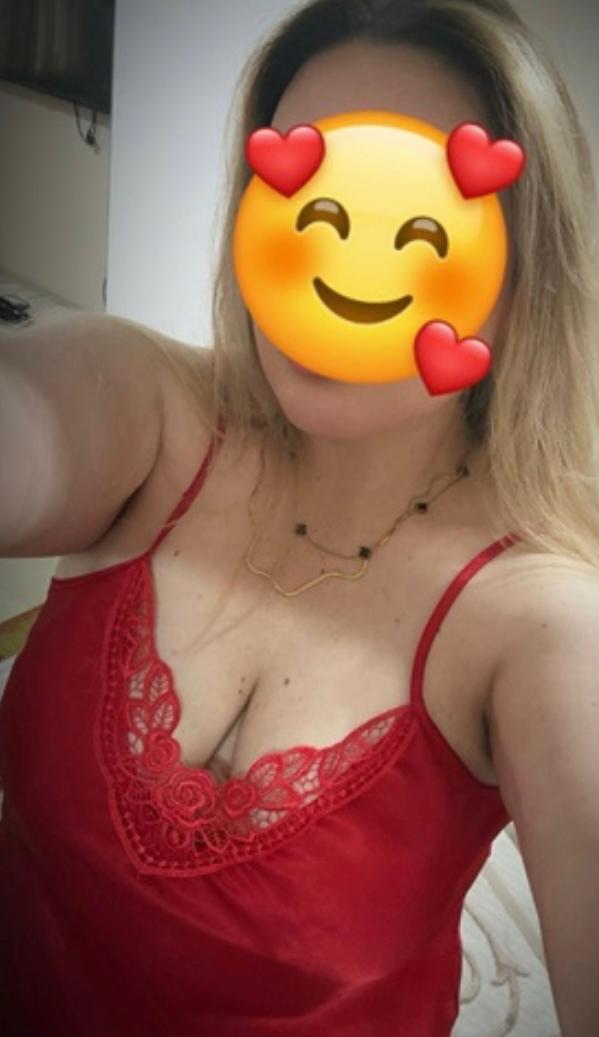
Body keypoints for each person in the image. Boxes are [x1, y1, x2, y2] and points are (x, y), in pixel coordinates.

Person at [1, 1, 599, 1034]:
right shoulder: (144, 402)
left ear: (522, 270)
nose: (345, 268)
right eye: (309, 202)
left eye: (419, 225)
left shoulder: (539, 618)